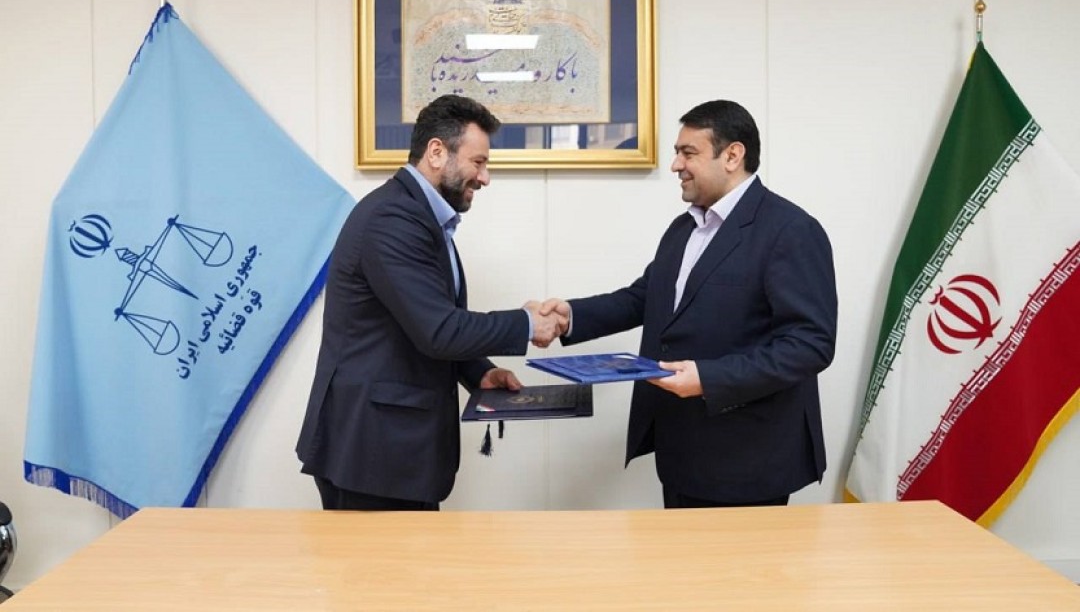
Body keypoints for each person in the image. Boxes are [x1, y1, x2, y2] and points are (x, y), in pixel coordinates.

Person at [542, 99, 837, 508]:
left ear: (732, 155)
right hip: (681, 450)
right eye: (676, 152)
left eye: (688, 153)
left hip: (749, 458)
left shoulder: (791, 230)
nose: (675, 165)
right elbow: (646, 297)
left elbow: (810, 345)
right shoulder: (684, 228)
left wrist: (708, 378)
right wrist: (571, 317)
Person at [296, 94, 564, 511]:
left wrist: (480, 372)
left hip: (393, 452)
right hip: (371, 453)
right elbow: (439, 331)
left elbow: (422, 323)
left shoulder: (419, 216)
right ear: (436, 152)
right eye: (478, 162)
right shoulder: (392, 219)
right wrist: (529, 323)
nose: (485, 177)